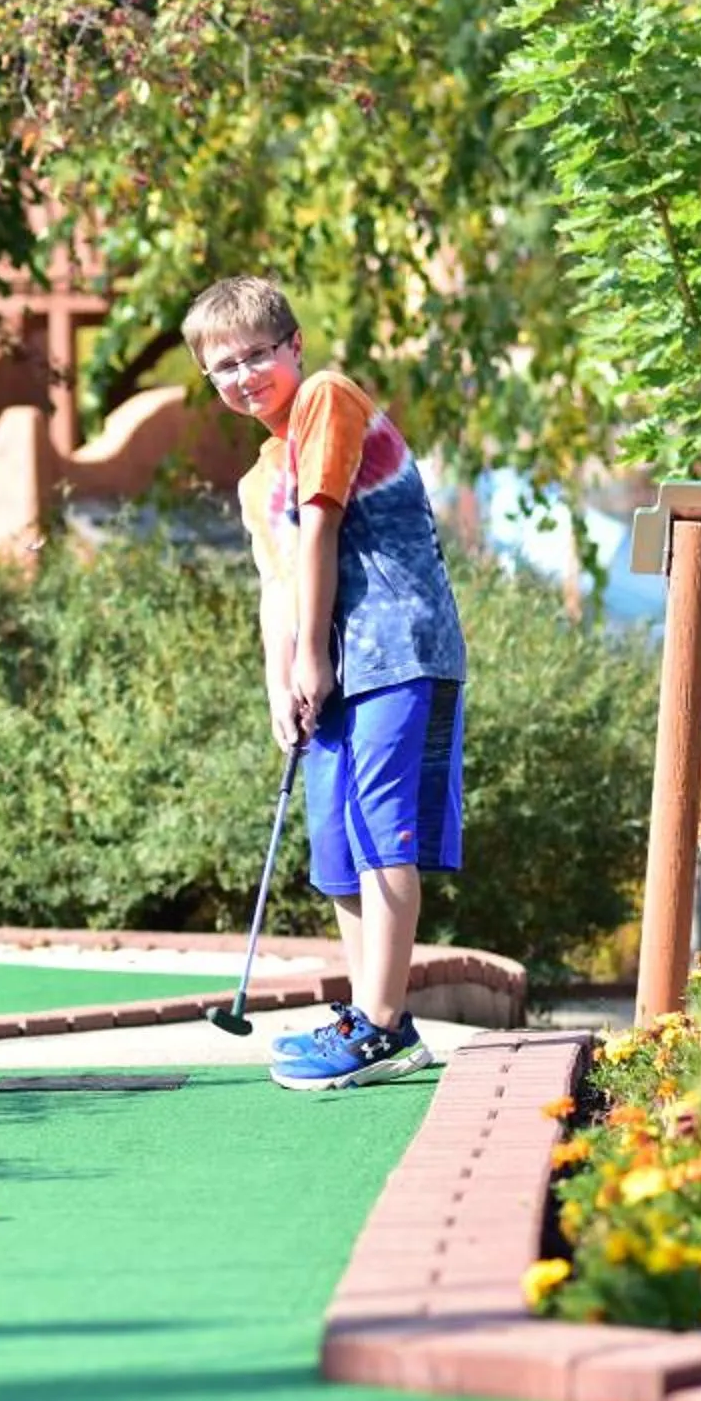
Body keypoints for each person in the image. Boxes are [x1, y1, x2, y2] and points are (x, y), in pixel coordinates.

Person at [188, 275, 467, 1092]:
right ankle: (369, 1011)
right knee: (339, 849)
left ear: (294, 346)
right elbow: (276, 585)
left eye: (258, 354)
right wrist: (283, 681)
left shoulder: (326, 399)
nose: (245, 376)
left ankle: (383, 1025)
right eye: (224, 366)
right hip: (332, 669)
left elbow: (321, 533)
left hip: (395, 651)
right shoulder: (257, 476)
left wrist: (312, 655)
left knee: (383, 833)